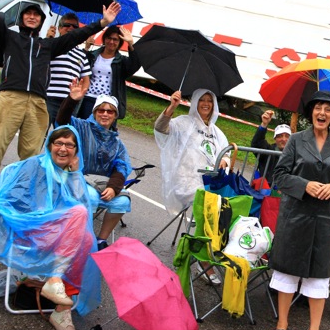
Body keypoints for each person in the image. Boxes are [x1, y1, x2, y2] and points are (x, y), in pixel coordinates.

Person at [0, 0, 120, 208]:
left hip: (38, 102)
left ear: (40, 21)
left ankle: (20, 195)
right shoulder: (9, 38)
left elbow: (74, 37)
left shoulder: (47, 46)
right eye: (28, 13)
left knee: (31, 155)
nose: (32, 16)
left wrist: (102, 23)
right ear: (21, 18)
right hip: (11, 98)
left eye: (36, 15)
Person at [0, 126, 100, 330]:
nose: (63, 149)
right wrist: (39, 218)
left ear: (75, 150)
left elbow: (81, 202)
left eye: (69, 145)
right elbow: (11, 201)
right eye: (59, 143)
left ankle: (58, 291)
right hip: (26, 229)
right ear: (49, 146)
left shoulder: (70, 173)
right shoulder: (33, 166)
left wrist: (74, 175)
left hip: (58, 233)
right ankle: (57, 291)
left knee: (86, 236)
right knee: (80, 220)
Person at [268, 91, 330, 330]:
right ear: (311, 113)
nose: (322, 113)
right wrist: (304, 185)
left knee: (319, 276)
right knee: (287, 273)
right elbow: (279, 176)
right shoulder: (295, 141)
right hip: (295, 215)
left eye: (327, 109)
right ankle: (282, 326)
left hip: (325, 219)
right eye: (318, 108)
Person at [155, 89, 230, 284]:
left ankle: (214, 250)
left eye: (209, 101)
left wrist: (225, 161)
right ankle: (203, 261)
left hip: (210, 184)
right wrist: (171, 106)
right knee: (211, 208)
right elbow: (161, 128)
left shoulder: (216, 131)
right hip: (187, 181)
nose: (206, 104)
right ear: (195, 102)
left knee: (229, 206)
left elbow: (226, 153)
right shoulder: (183, 122)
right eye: (202, 100)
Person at [56, 80, 133, 249]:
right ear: (95, 112)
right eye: (101, 110)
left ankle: (100, 240)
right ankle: (83, 238)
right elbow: (62, 122)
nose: (105, 114)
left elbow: (121, 168)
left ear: (115, 116)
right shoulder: (81, 127)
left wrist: (113, 188)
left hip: (102, 184)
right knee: (89, 197)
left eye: (110, 111)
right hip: (77, 177)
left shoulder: (117, 143)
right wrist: (72, 100)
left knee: (122, 202)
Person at [78, 26, 140, 124]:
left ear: (120, 42)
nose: (111, 42)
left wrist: (131, 43)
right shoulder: (93, 55)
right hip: (88, 98)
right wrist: (86, 48)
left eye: (115, 39)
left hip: (108, 103)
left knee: (103, 134)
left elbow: (135, 65)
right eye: (109, 38)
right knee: (84, 128)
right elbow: (79, 66)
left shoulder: (121, 61)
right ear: (104, 39)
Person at [45, 13, 92, 127]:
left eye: (75, 27)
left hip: (69, 101)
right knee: (40, 134)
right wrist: (48, 40)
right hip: (48, 98)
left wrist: (81, 93)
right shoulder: (51, 46)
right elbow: (39, 62)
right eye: (67, 25)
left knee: (63, 135)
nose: (71, 28)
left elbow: (86, 78)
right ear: (60, 28)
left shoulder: (81, 54)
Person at [250, 109, 291, 184]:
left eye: (287, 136)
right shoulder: (268, 151)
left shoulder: (296, 155)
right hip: (264, 191)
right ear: (275, 138)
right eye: (280, 136)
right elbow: (256, 144)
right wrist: (264, 124)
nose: (284, 139)